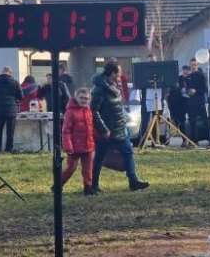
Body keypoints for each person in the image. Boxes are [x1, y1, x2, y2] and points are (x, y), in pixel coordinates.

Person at [90, 59, 149, 193]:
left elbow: (117, 107)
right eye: (118, 73)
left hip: (119, 129)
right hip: (105, 131)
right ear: (112, 73)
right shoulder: (99, 89)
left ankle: (133, 181)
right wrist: (103, 129)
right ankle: (93, 185)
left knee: (128, 151)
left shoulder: (115, 86)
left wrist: (123, 122)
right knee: (100, 157)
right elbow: (93, 111)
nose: (120, 76)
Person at [61, 88, 96, 195]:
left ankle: (88, 188)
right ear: (76, 98)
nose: (83, 100)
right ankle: (58, 184)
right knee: (71, 168)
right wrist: (68, 146)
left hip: (87, 146)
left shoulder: (89, 112)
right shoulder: (70, 112)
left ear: (89, 100)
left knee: (88, 169)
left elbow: (92, 129)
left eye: (86, 98)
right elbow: (66, 131)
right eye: (81, 98)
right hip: (74, 147)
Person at [0, 66, 23, 155]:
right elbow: (21, 96)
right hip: (11, 109)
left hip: (0, 110)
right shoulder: (15, 82)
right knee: (10, 131)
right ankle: (8, 149)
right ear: (10, 73)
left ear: (2, 72)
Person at [186, 57, 209, 144]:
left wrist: (196, 91)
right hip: (191, 102)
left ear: (198, 65)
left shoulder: (201, 75)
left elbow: (205, 89)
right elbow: (187, 88)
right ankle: (194, 141)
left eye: (195, 65)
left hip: (200, 102)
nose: (193, 67)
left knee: (205, 121)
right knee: (192, 122)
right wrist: (188, 92)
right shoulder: (189, 77)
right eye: (192, 65)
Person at [167, 66, 191, 145]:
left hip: (189, 104)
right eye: (184, 70)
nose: (185, 72)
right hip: (178, 105)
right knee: (180, 123)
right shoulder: (177, 80)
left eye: (187, 70)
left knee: (188, 123)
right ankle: (184, 140)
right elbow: (171, 94)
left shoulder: (191, 79)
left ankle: (190, 140)